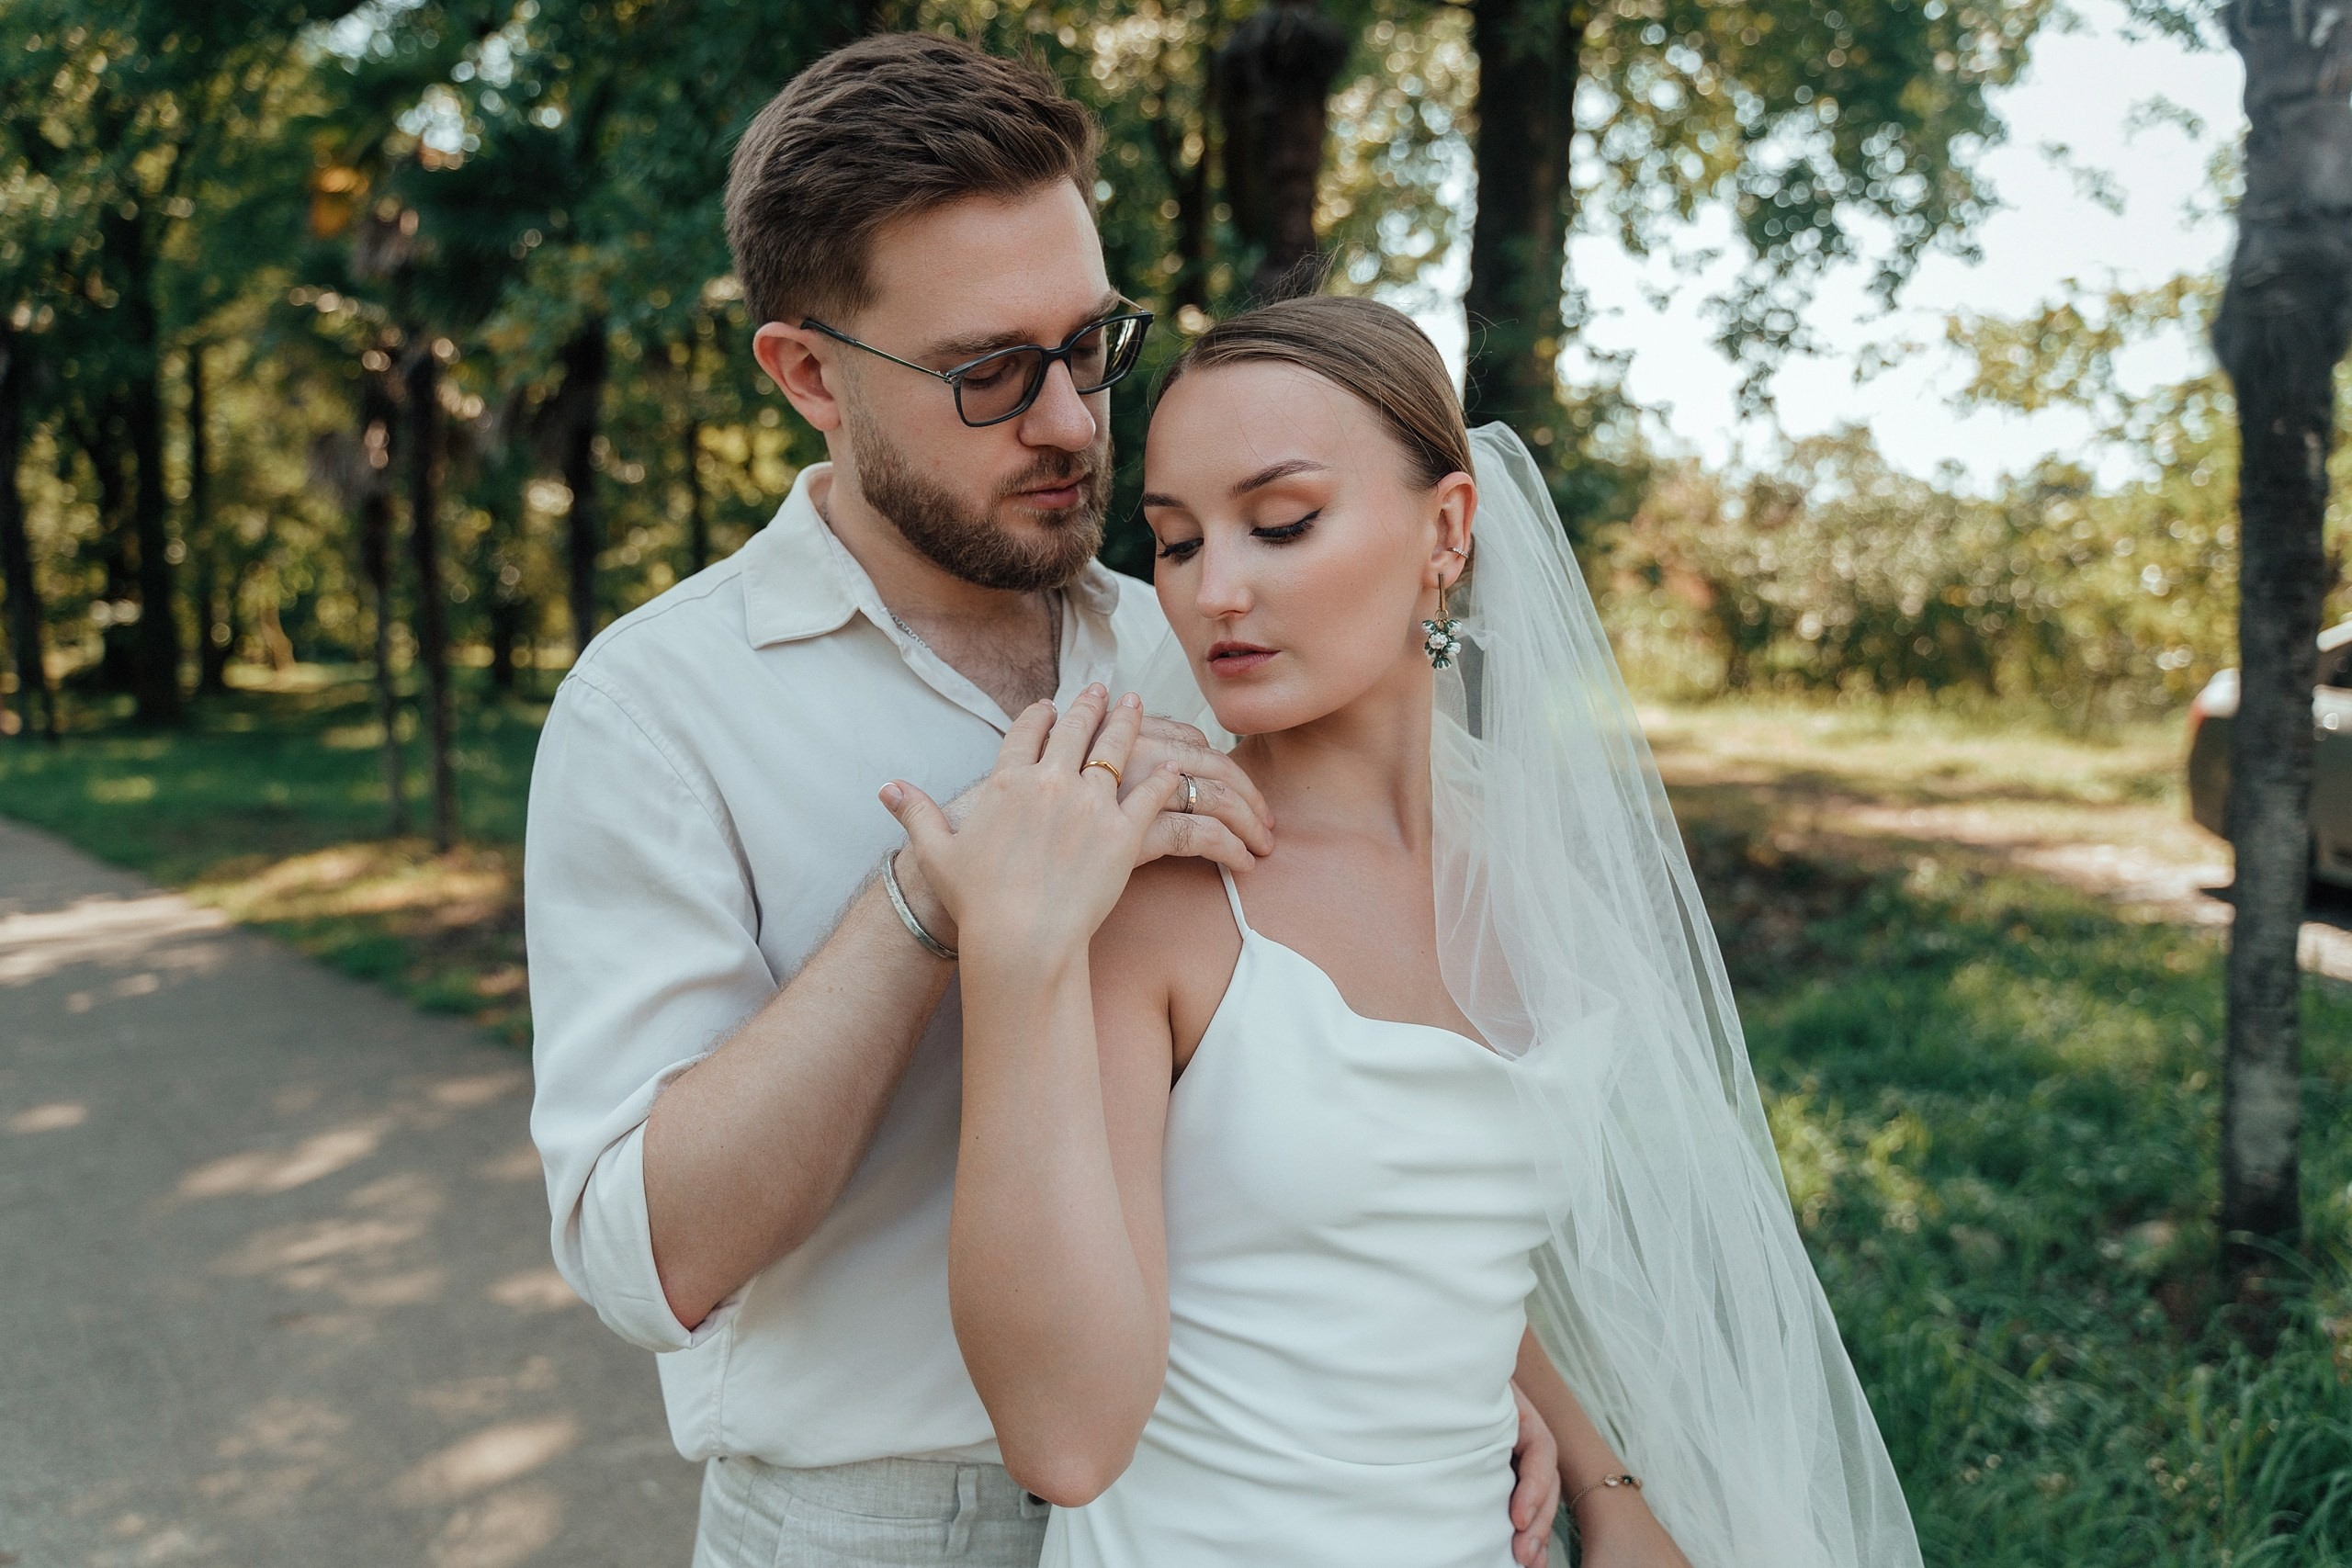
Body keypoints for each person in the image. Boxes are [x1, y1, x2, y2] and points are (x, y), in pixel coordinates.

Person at [524, 34, 1561, 1568]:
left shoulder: (1202, 641)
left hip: (1236, 1497)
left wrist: (1465, 1370)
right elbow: (641, 1261)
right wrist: (930, 908)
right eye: (991, 373)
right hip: (873, 1525)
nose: (1073, 421)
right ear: (809, 372)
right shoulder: (659, 708)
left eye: (1089, 346)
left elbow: (1361, 1085)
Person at [884, 296, 1924, 1567]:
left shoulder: (1542, 885)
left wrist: (1608, 1482)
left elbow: (1426, 1234)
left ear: (1448, 528)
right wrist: (1016, 952)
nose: (1215, 591)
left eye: (1282, 524)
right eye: (1173, 541)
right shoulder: (1161, 901)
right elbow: (1065, 1441)